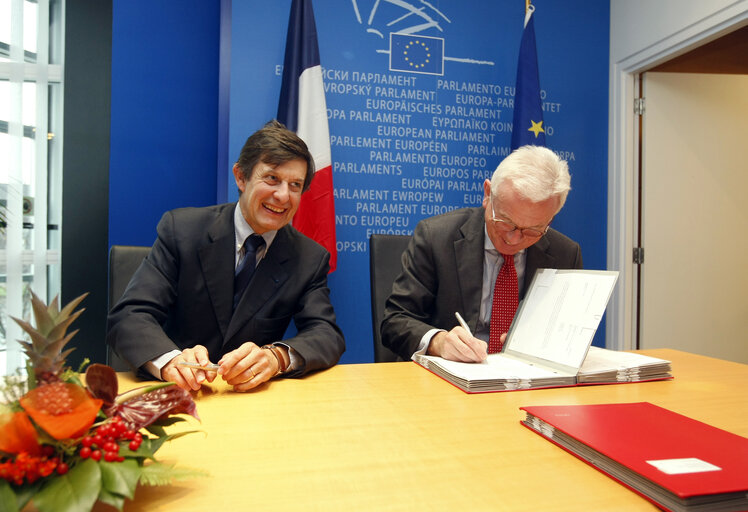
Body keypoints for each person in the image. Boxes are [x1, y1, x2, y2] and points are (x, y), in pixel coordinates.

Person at [107, 120, 345, 392]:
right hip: (180, 394)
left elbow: (326, 334)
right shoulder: (182, 230)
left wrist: (275, 357)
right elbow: (129, 316)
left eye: (295, 185)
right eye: (272, 179)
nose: (282, 195)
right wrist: (170, 361)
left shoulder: (308, 257)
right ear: (241, 177)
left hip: (251, 401)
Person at [381, 145, 582, 362]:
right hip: (450, 379)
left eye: (532, 230)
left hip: (526, 382)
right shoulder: (436, 237)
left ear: (550, 220)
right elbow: (396, 320)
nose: (513, 239)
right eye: (505, 222)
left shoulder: (565, 254)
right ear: (488, 194)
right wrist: (438, 342)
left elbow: (571, 335)